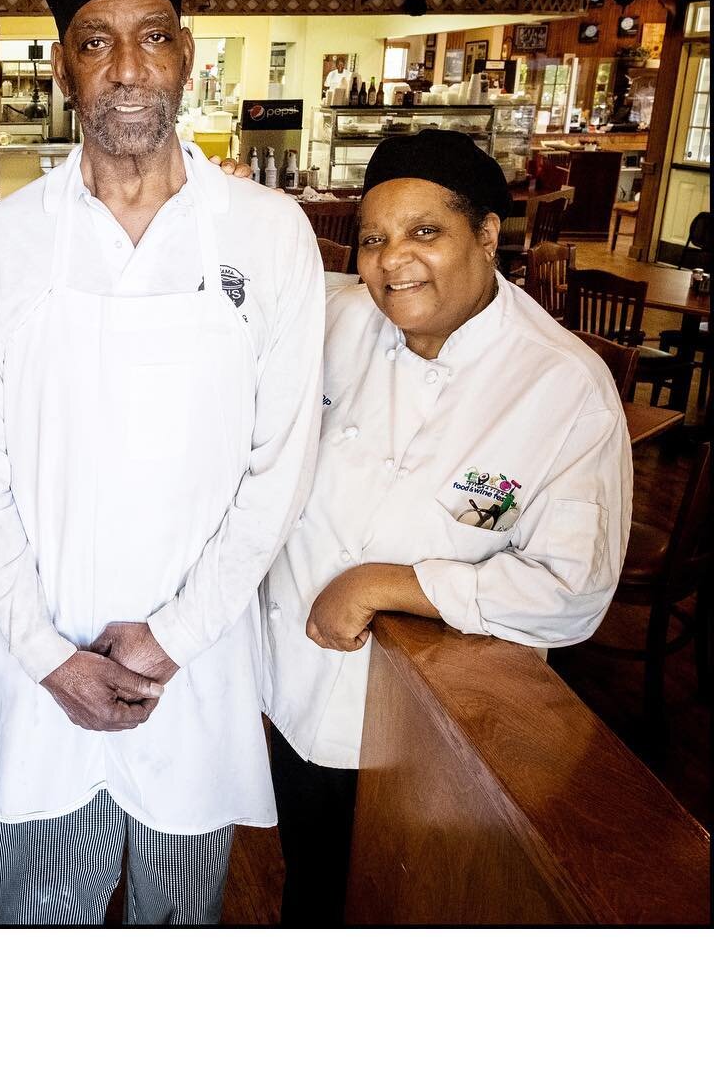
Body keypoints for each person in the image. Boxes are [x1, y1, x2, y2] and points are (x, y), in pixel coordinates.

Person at [0, 0, 325, 925]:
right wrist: (44, 651)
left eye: (152, 35)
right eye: (96, 41)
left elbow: (278, 469)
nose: (126, 67)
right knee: (41, 918)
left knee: (176, 919)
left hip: (192, 673)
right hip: (37, 665)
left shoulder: (270, 235)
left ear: (186, 55)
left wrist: (170, 636)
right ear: (64, 66)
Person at [261, 128, 633, 925]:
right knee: (309, 894)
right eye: (374, 238)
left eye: (425, 232)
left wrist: (385, 585)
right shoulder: (340, 318)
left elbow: (573, 594)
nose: (394, 261)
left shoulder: (563, 389)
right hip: (287, 688)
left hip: (425, 726)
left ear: (489, 236)